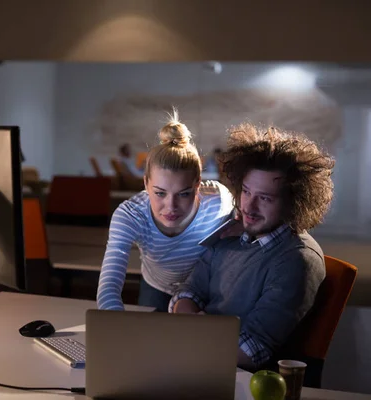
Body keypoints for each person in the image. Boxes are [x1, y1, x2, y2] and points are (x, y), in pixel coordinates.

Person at [169, 123, 335, 370]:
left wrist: (193, 332)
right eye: (246, 192)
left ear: (294, 202)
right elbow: (187, 292)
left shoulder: (297, 260)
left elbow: (252, 350)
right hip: (196, 355)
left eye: (265, 198)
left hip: (237, 377)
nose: (248, 206)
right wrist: (193, 327)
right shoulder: (232, 233)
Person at [97, 110, 234, 312]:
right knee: (150, 337)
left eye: (184, 194)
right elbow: (109, 283)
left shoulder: (218, 201)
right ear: (146, 183)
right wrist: (114, 321)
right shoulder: (130, 215)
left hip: (204, 287)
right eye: (160, 193)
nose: (171, 207)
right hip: (157, 286)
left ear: (198, 185)